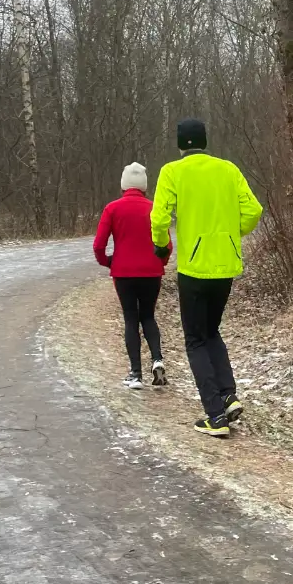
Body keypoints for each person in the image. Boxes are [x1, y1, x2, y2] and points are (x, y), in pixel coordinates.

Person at [150, 118, 263, 437]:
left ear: (180, 144)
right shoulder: (228, 169)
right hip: (226, 265)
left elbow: (158, 218)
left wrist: (160, 245)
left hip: (194, 268)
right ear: (204, 141)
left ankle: (215, 415)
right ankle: (228, 397)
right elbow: (253, 210)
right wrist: (231, 234)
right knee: (211, 331)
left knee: (196, 339)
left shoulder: (173, 171)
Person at [93, 162, 170, 390]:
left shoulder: (113, 209)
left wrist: (108, 262)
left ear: (124, 185)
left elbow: (99, 245)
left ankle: (136, 374)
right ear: (144, 187)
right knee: (148, 316)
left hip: (124, 273)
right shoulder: (155, 208)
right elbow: (166, 245)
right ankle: (157, 359)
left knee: (130, 318)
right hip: (151, 272)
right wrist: (160, 263)